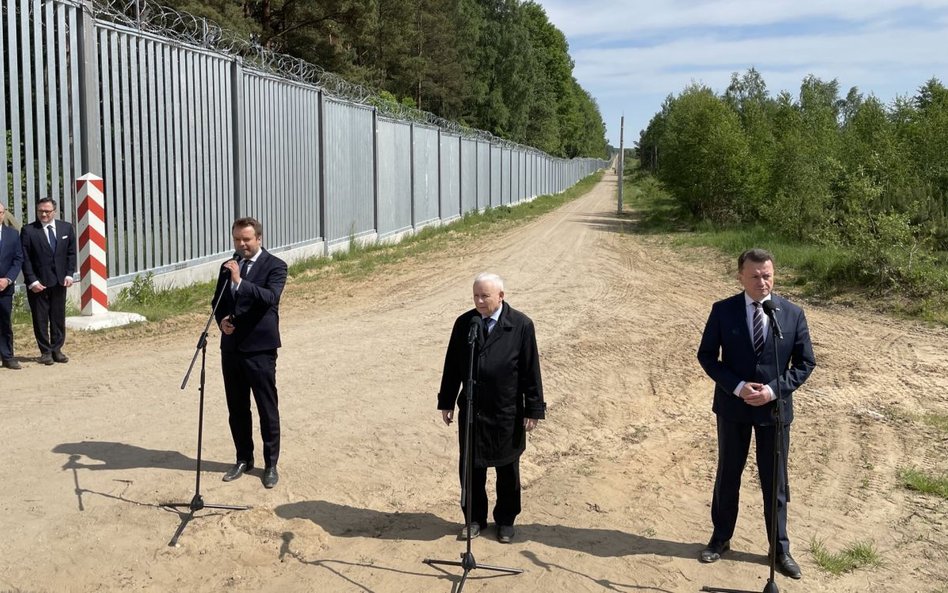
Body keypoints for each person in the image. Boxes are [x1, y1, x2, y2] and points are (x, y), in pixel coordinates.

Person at [696, 248, 816, 579]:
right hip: (733, 408)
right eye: (755, 276)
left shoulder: (791, 314)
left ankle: (779, 549)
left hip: (774, 412)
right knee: (728, 474)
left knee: (774, 481)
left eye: (768, 275)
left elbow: (805, 363)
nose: (762, 282)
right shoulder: (723, 311)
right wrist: (736, 386)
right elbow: (707, 356)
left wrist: (773, 390)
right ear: (741, 277)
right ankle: (720, 539)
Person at [437, 272, 546, 543]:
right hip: (473, 411)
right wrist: (446, 401)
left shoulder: (521, 325)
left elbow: (531, 371)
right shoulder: (465, 324)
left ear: (501, 296)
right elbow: (452, 365)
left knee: (507, 470)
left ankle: (506, 521)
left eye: (485, 296)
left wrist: (533, 408)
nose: (479, 301)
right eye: (475, 295)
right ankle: (474, 519)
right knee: (471, 469)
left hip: (506, 411)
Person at [213, 217, 287, 489]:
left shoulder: (275, 266)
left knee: (266, 407)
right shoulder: (228, 265)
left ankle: (270, 464)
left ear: (259, 238)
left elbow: (270, 298)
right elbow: (217, 301)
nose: (241, 244)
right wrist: (222, 321)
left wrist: (240, 281)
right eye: (237, 239)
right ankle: (243, 458)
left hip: (260, 349)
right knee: (237, 407)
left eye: (246, 239)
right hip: (231, 348)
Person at [20, 197, 77, 365]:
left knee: (58, 317)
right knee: (40, 318)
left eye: (47, 211)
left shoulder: (66, 228)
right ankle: (45, 351)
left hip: (60, 281)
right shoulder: (28, 230)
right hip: (38, 283)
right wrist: (32, 281)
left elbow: (71, 253)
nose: (43, 214)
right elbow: (25, 258)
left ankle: (57, 349)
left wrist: (69, 274)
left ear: (54, 211)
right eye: (40, 211)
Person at [1, 202, 25, 369]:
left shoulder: (13, 234)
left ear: (4, 214)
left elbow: (18, 260)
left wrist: (7, 279)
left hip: (4, 287)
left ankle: (7, 357)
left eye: (0, 212)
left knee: (4, 323)